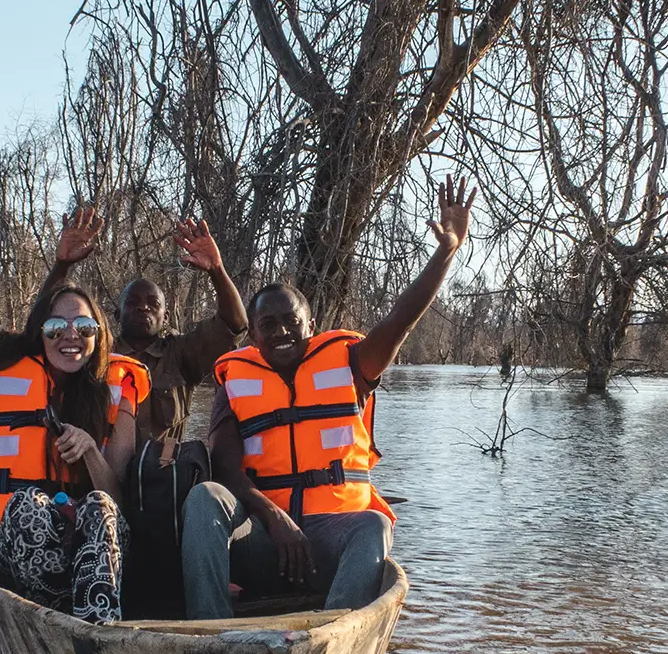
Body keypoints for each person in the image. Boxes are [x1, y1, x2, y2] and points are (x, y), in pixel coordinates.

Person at [182, 176, 477, 619]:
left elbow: (401, 319)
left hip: (330, 547)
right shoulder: (235, 379)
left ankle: (331, 635)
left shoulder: (351, 363)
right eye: (268, 324)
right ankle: (210, 635)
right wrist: (274, 518)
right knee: (205, 496)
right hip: (264, 541)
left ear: (311, 324)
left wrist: (446, 252)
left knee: (375, 524)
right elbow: (226, 467)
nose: (280, 331)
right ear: (255, 334)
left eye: (291, 321)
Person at [0, 83, 148, 624]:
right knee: (27, 505)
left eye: (84, 325)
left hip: (92, 561)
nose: (71, 334)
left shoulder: (118, 391)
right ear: (40, 333)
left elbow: (115, 491)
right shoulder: (6, 359)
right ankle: (56, 626)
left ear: (98, 336)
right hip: (28, 555)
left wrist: (90, 449)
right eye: (58, 325)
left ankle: (97, 631)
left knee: (100, 506)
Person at [40, 207, 248, 448]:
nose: (143, 308)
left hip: (162, 477)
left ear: (165, 316)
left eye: (153, 304)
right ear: (117, 315)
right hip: (98, 471)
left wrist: (216, 269)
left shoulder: (182, 354)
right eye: (132, 303)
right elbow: (43, 325)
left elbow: (234, 325)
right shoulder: (94, 352)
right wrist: (61, 266)